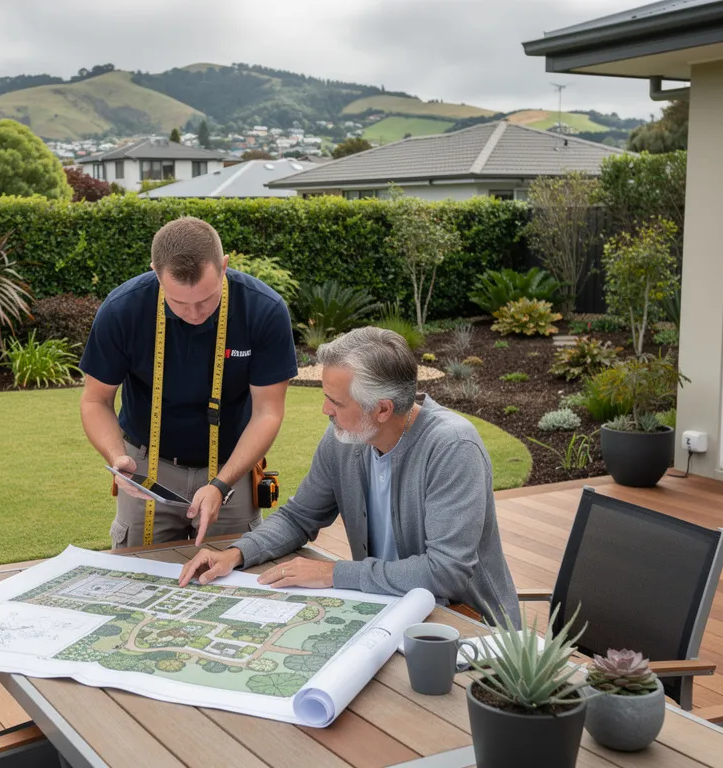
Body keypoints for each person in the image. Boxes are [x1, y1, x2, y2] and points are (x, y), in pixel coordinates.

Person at [177, 326, 521, 626]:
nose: (325, 410)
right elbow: (299, 517)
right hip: (384, 612)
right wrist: (236, 554)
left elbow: (446, 572)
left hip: (469, 629)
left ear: (382, 409)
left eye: (335, 402)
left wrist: (333, 573)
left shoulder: (452, 447)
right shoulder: (345, 439)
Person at [79, 216, 297, 548]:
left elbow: (267, 412)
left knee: (236, 580)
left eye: (207, 300)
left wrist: (222, 484)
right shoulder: (123, 310)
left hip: (232, 467)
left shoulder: (263, 310)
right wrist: (117, 456)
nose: (195, 313)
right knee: (140, 579)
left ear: (224, 266)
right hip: (146, 469)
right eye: (179, 302)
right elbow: (95, 401)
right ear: (155, 272)